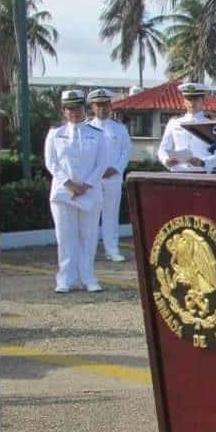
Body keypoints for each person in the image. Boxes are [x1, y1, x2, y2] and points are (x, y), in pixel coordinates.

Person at [44, 89, 108, 293]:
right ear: (63, 111)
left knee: (88, 237)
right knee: (65, 237)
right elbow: (51, 163)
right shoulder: (55, 134)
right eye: (69, 108)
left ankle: (88, 278)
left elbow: (102, 163)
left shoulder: (97, 134)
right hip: (63, 194)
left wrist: (87, 184)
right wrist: (69, 184)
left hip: (90, 192)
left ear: (84, 108)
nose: (74, 112)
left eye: (78, 107)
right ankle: (65, 279)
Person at [87, 88, 132, 262]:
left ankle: (111, 249)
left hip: (113, 177)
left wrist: (116, 168)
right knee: (90, 215)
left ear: (110, 106)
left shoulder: (119, 129)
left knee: (111, 215)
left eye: (105, 105)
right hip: (92, 179)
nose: (102, 109)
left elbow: (126, 152)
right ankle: (88, 251)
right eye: (98, 105)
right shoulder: (86, 128)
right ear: (92, 107)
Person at [157, 82, 216, 173]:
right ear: (184, 102)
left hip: (202, 173)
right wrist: (166, 160)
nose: (192, 103)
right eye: (189, 99)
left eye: (196, 99)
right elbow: (162, 149)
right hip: (178, 172)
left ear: (203, 101)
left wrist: (203, 162)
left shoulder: (213, 123)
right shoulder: (174, 122)